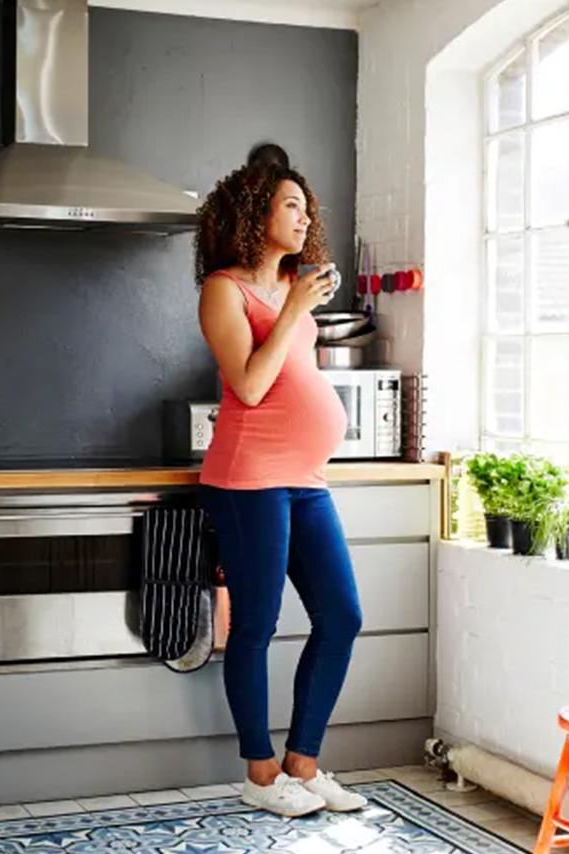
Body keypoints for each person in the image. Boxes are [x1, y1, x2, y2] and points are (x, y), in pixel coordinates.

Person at [193, 143, 366, 818]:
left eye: (306, 207)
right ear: (255, 211)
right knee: (258, 626)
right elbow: (251, 384)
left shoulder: (295, 291)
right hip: (249, 479)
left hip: (305, 476)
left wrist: (297, 304)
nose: (303, 217)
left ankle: (303, 762)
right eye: (290, 204)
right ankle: (260, 775)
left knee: (342, 616)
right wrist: (293, 308)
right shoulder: (223, 290)